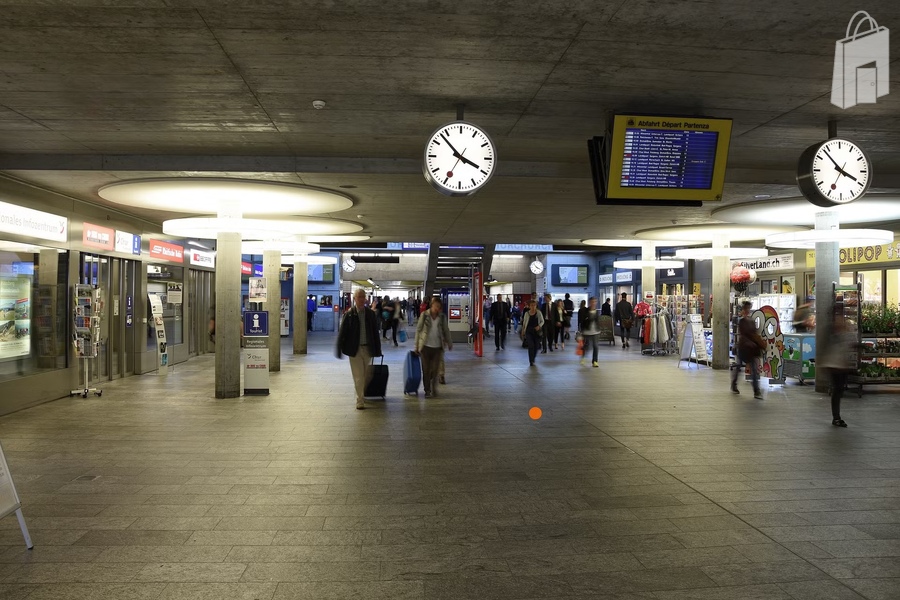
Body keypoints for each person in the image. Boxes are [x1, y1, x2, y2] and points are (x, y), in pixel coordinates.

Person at [336, 288, 382, 410]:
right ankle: (359, 400)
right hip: (354, 350)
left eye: (363, 297)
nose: (361, 299)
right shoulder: (349, 314)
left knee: (367, 375)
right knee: (358, 376)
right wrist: (339, 348)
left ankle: (360, 391)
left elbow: (375, 333)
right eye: (359, 297)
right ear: (355, 299)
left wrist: (378, 350)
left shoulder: (370, 314)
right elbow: (342, 333)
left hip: (368, 349)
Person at [819, 315, 856, 427]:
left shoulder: (843, 333)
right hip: (832, 365)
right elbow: (825, 348)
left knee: (839, 390)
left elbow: (846, 347)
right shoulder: (831, 334)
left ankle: (836, 417)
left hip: (841, 366)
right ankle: (836, 417)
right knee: (837, 390)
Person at [415, 298, 452, 398]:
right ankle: (427, 390)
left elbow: (446, 330)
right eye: (436, 306)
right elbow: (418, 330)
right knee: (426, 370)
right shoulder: (424, 315)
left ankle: (433, 387)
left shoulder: (442, 317)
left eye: (439, 307)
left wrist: (449, 342)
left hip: (437, 347)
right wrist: (416, 345)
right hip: (425, 347)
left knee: (435, 371)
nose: (437, 308)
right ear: (432, 305)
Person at [731, 300, 764, 399]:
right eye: (746, 308)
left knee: (752, 368)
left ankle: (756, 390)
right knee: (740, 366)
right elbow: (744, 334)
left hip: (751, 348)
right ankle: (735, 383)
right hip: (744, 347)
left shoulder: (751, 321)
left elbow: (754, 334)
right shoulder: (742, 321)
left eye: (748, 309)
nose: (747, 310)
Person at [520, 300, 545, 366]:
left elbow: (542, 321)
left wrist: (539, 326)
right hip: (529, 331)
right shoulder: (527, 314)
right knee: (531, 345)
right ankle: (531, 360)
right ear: (529, 306)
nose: (533, 307)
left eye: (534, 305)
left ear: (536, 306)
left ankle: (533, 357)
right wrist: (523, 331)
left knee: (536, 346)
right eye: (531, 305)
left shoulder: (538, 313)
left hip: (537, 332)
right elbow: (524, 323)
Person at [581, 297, 603, 367]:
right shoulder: (585, 311)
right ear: (589, 302)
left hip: (595, 331)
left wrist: (599, 329)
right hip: (587, 331)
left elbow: (597, 321)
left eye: (595, 302)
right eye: (592, 302)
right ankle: (583, 357)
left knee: (595, 346)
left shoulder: (596, 311)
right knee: (587, 346)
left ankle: (595, 361)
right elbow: (583, 321)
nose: (593, 303)